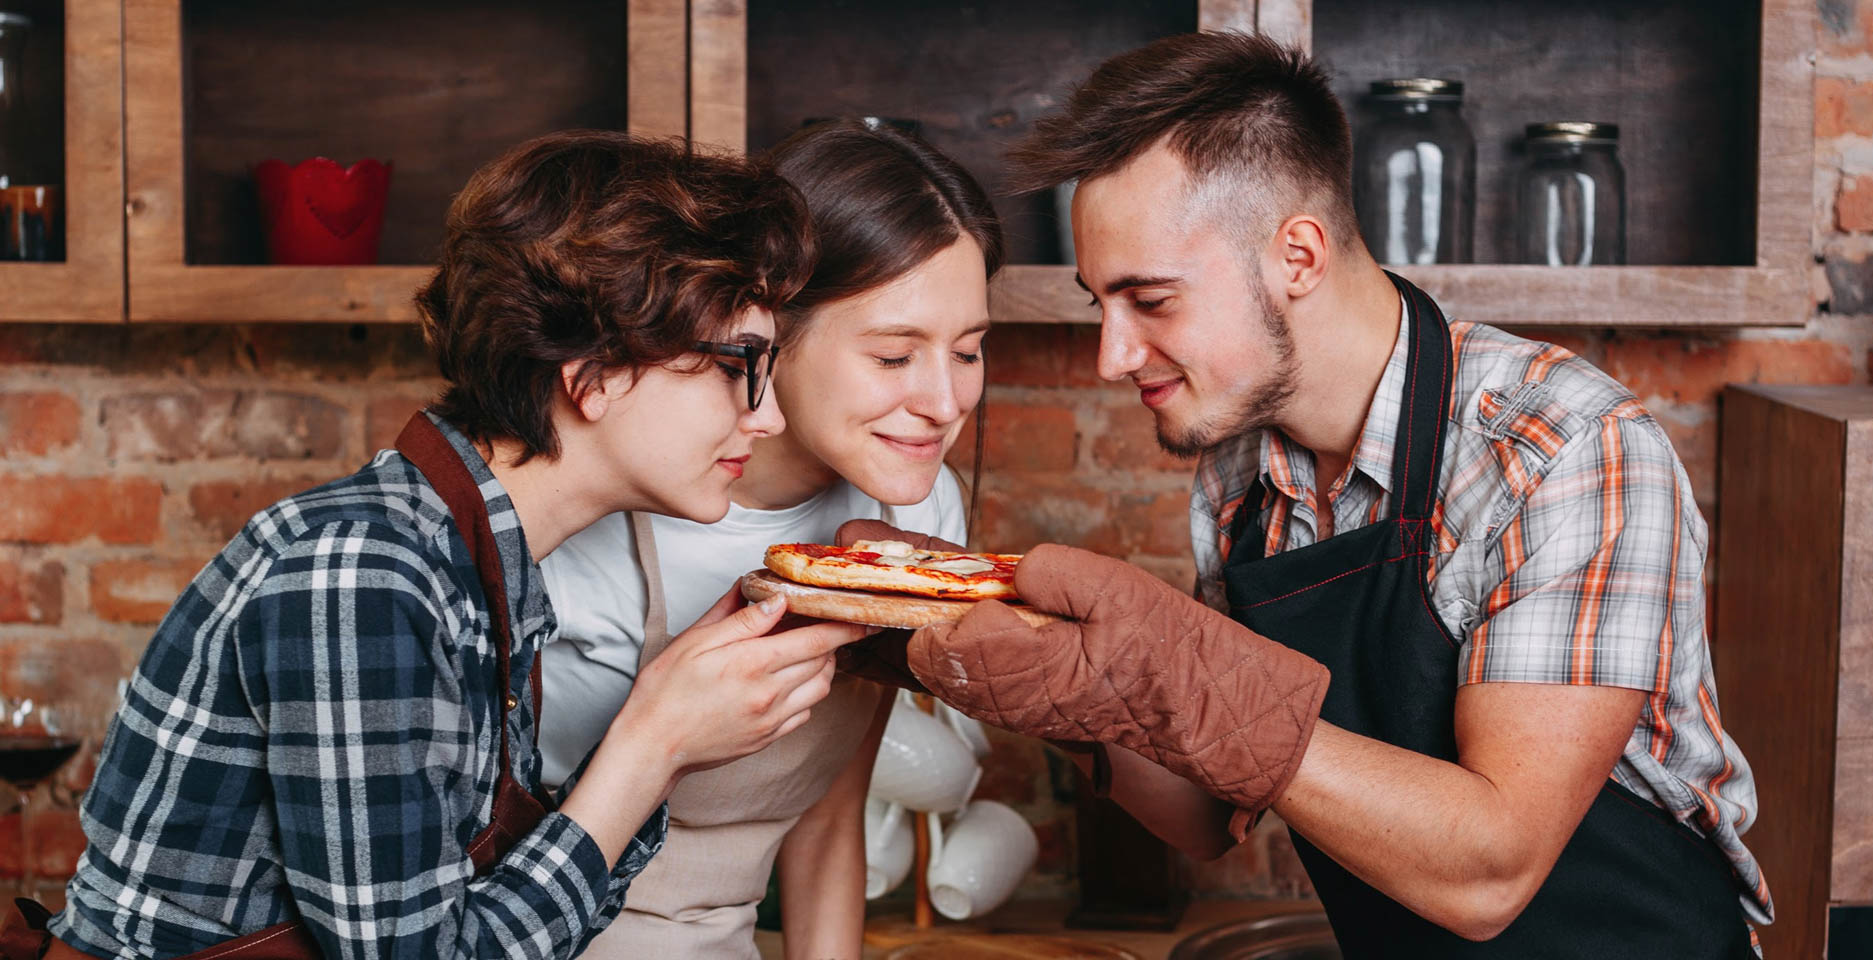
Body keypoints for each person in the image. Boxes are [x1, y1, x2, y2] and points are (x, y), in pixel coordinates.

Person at [876, 33, 1770, 958]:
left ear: (1296, 256)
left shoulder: (1562, 449)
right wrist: (1062, 690)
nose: (1113, 355)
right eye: (1100, 303)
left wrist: (1183, 674)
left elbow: (1491, 872)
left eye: (1151, 300)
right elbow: (1203, 812)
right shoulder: (1241, 475)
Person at [25, 131, 868, 960]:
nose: (769, 416)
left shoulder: (471, 568)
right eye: (738, 366)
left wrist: (672, 713)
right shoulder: (363, 574)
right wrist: (655, 743)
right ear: (594, 373)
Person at [537, 118, 1002, 959]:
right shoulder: (598, 519)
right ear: (768, 332)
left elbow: (830, 816)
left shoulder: (916, 517)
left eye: (968, 350)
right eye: (895, 357)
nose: (944, 401)